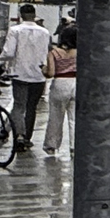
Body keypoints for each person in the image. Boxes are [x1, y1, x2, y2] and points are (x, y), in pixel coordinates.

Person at [0, 3, 52, 152]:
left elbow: (9, 53)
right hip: (38, 75)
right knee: (31, 108)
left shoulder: (15, 30)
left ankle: (19, 136)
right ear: (35, 15)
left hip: (20, 73)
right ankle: (27, 138)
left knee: (19, 106)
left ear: (21, 15)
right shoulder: (44, 32)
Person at [41, 23, 78, 156]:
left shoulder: (54, 52)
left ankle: (52, 146)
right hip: (76, 82)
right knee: (74, 118)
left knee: (56, 116)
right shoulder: (81, 52)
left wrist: (43, 69)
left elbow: (50, 73)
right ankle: (75, 147)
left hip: (60, 83)